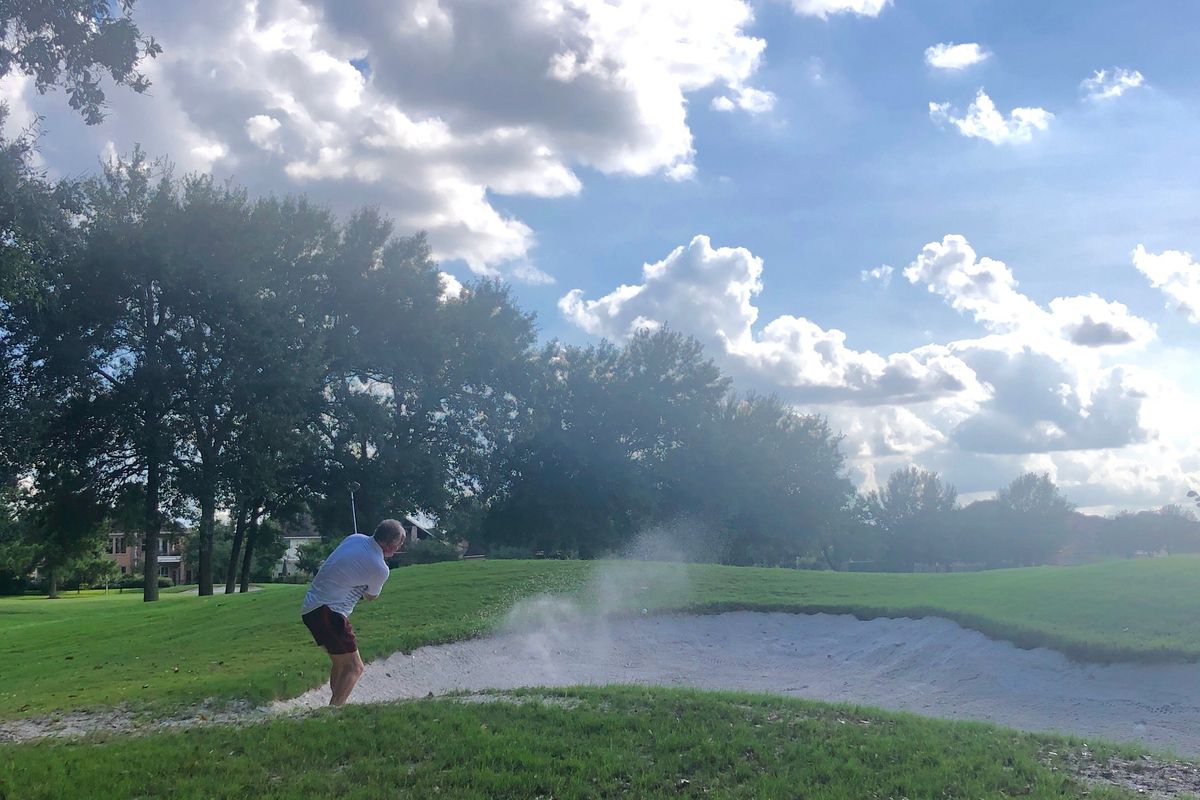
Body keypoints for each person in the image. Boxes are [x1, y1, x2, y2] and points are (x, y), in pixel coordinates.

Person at [300, 519, 406, 705]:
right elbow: (371, 597)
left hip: (310, 609)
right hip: (330, 613)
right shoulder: (380, 568)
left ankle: (336, 703)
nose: (397, 549)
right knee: (355, 667)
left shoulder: (354, 538)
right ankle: (332, 712)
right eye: (397, 545)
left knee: (341, 664)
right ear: (389, 546)